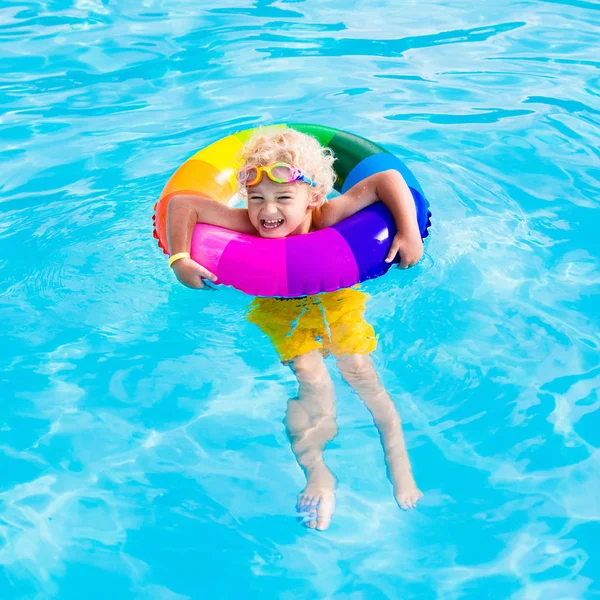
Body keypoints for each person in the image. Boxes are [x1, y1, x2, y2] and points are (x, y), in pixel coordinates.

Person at [166, 129, 424, 531]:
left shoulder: (328, 215)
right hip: (276, 304)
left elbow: (387, 179)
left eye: (284, 198)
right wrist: (180, 257)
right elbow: (182, 202)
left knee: (361, 372)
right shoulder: (246, 224)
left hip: (337, 295)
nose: (267, 211)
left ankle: (400, 462)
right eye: (256, 199)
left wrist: (408, 232)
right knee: (311, 377)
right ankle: (319, 473)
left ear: (315, 197)